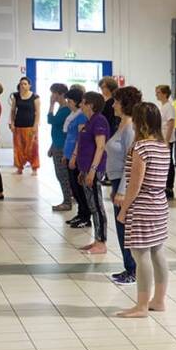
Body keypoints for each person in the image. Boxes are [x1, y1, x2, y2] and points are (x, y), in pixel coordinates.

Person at [115, 103, 170, 317]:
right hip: (159, 204)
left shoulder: (141, 148)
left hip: (143, 207)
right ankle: (159, 300)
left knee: (140, 255)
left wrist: (124, 209)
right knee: (157, 252)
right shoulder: (163, 146)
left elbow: (135, 184)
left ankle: (141, 305)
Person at [106, 86, 142, 285]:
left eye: (116, 101)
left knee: (125, 227)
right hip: (116, 180)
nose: (113, 105)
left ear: (124, 104)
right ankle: (128, 266)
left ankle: (133, 269)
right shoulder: (121, 124)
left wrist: (121, 191)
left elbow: (131, 162)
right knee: (121, 228)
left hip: (123, 182)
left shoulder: (129, 129)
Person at [73, 92, 110, 254]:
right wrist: (83, 170)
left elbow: (100, 147)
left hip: (94, 170)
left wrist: (92, 171)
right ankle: (96, 240)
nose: (80, 105)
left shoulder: (99, 120)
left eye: (83, 102)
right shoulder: (90, 122)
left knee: (97, 206)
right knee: (92, 206)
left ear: (91, 105)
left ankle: (101, 242)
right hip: (87, 169)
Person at [64, 89, 89, 226]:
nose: (68, 103)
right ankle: (80, 213)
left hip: (76, 156)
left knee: (79, 188)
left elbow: (80, 138)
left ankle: (85, 216)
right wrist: (65, 155)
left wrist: (74, 156)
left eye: (69, 101)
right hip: (69, 154)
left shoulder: (82, 117)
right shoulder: (73, 115)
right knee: (74, 188)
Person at [46, 83, 73, 211]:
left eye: (54, 93)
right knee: (60, 174)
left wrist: (51, 105)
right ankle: (68, 198)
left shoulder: (66, 109)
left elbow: (52, 121)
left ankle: (67, 201)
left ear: (61, 94)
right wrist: (52, 146)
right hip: (57, 144)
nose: (52, 96)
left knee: (62, 175)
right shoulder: (62, 108)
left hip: (62, 146)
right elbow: (58, 129)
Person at [9, 76, 40, 174]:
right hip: (18, 126)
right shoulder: (16, 96)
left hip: (30, 126)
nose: (23, 86)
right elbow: (13, 110)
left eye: (25, 84)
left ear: (29, 86)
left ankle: (34, 168)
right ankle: (19, 167)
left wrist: (36, 125)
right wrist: (12, 123)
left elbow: (38, 112)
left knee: (32, 148)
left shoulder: (35, 97)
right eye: (21, 84)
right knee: (18, 148)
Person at [156, 85, 176, 199]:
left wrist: (167, 141)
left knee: (168, 163)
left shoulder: (169, 107)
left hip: (166, 139)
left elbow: (171, 123)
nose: (156, 94)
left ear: (164, 94)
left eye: (158, 92)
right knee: (164, 163)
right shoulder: (163, 106)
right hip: (162, 138)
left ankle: (169, 187)